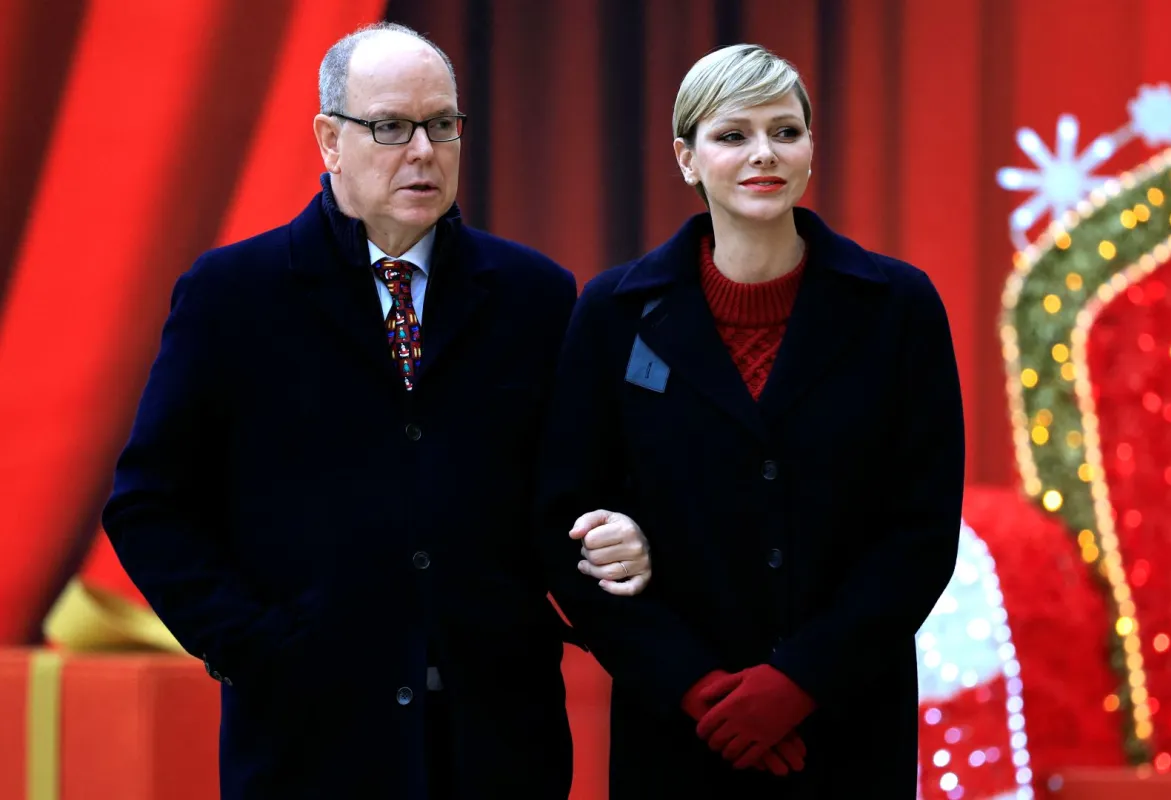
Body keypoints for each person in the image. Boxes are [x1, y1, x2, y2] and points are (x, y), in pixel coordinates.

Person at [102, 22, 652, 800]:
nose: (423, 151)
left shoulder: (535, 295)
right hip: (309, 733)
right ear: (329, 139)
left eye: (441, 125)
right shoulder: (234, 293)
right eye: (391, 127)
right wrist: (253, 644)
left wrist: (621, 525)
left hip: (497, 735)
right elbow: (149, 504)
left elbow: (586, 478)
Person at [537, 43, 965, 797]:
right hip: (674, 735)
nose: (763, 153)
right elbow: (563, 524)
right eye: (732, 135)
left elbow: (921, 534)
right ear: (687, 158)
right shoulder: (611, 314)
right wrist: (695, 687)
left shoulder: (899, 308)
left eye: (785, 131)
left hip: (846, 727)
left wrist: (798, 683)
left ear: (809, 152)